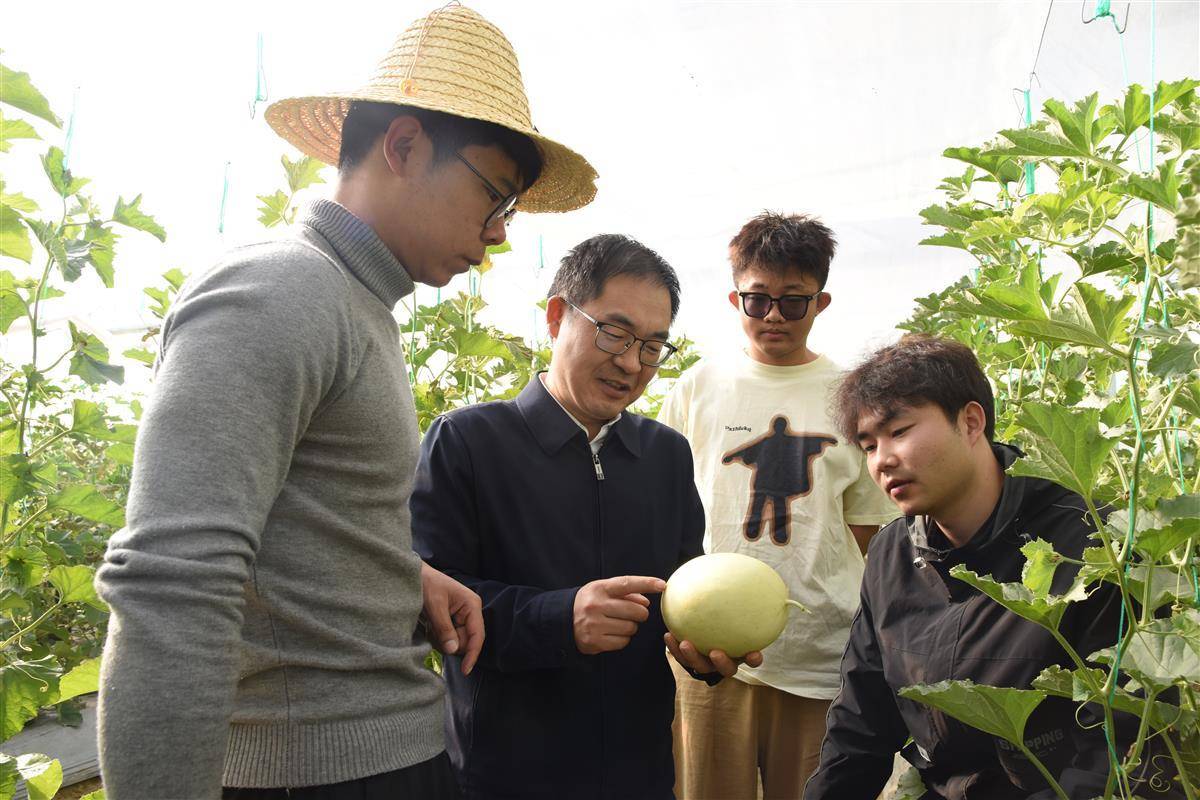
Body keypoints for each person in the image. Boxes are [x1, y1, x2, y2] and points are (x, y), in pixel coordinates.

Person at [94, 6, 597, 798]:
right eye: (496, 197)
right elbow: (174, 581)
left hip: (376, 755)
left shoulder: (357, 305)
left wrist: (399, 574)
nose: (499, 234)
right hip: (320, 773)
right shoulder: (280, 291)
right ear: (404, 146)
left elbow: (300, 518)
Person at [410, 234, 712, 800]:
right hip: (505, 774)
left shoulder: (666, 455)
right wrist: (559, 619)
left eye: (653, 346)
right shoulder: (467, 442)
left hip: (640, 772)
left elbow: (683, 589)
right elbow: (430, 605)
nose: (631, 363)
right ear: (556, 317)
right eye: (614, 333)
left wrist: (709, 645)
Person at [804, 335, 1147, 799]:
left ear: (970, 422)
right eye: (868, 446)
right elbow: (860, 725)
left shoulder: (1093, 545)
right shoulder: (891, 553)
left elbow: (1115, 754)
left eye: (899, 431)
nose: (882, 460)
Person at [658, 211, 897, 799]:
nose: (773, 316)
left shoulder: (850, 396)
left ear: (821, 303)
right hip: (709, 653)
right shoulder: (697, 387)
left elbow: (867, 530)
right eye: (757, 299)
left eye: (793, 302)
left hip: (819, 656)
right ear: (734, 298)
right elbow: (664, 507)